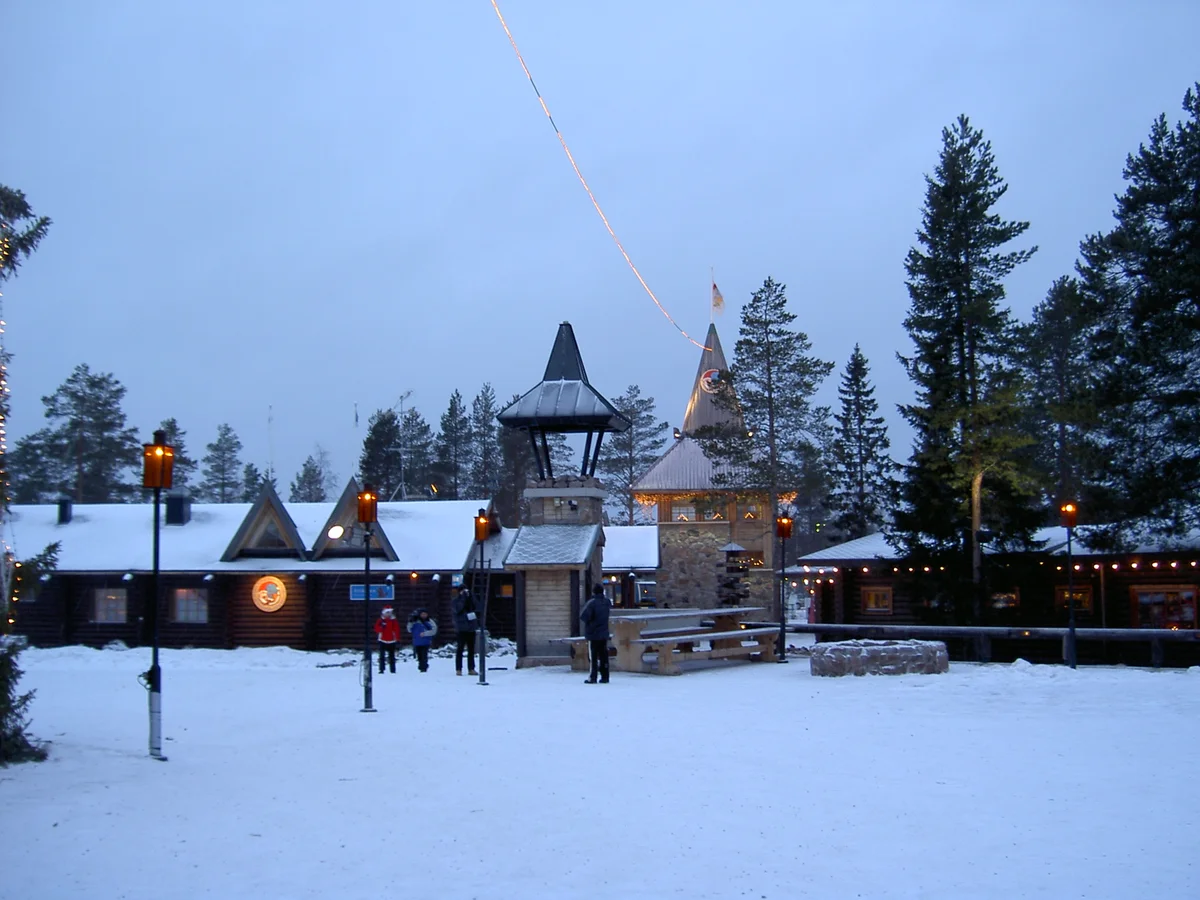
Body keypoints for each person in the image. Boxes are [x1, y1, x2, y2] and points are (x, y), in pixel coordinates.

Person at [579, 583, 611, 684]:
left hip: (593, 634)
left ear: (594, 592)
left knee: (593, 657)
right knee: (603, 655)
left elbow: (584, 616)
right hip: (604, 633)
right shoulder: (607, 602)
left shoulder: (592, 603)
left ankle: (593, 677)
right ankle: (605, 676)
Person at [452, 587, 478, 676]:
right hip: (461, 628)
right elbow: (457, 609)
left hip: (471, 628)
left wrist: (471, 596)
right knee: (460, 649)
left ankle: (471, 668)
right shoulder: (456, 601)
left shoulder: (471, 599)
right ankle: (458, 669)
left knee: (471, 649)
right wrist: (463, 598)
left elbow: (477, 607)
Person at [408, 608, 438, 673]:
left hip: (426, 641)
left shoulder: (430, 621)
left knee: (424, 654)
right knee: (419, 655)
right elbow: (409, 629)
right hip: (417, 641)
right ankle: (421, 666)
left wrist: (425, 634)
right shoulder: (415, 621)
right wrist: (410, 622)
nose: (424, 615)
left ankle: (423, 667)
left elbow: (434, 630)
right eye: (422, 614)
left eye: (425, 614)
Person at [374, 606, 400, 674]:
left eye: (390, 612)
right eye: (387, 612)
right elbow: (376, 629)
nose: (388, 614)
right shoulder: (380, 620)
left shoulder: (394, 621)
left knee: (392, 656)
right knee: (382, 656)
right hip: (382, 640)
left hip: (392, 640)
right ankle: (381, 669)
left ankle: (392, 670)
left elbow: (396, 630)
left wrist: (397, 638)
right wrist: (382, 628)